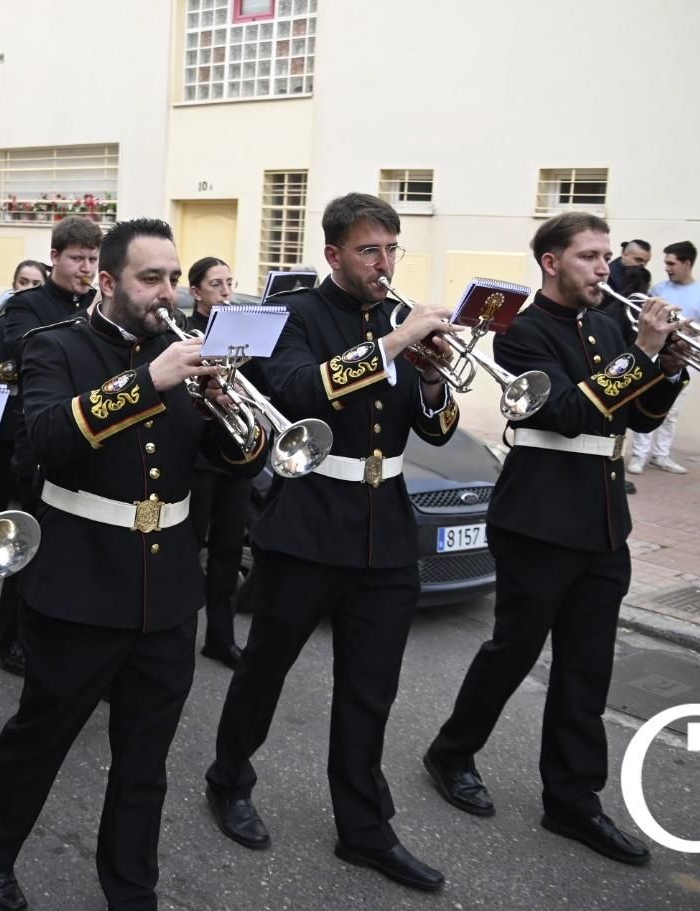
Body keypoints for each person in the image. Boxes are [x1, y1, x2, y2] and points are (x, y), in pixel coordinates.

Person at [0, 219, 268, 911]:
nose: (168, 293)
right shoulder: (56, 347)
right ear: (107, 281)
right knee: (42, 736)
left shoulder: (188, 351)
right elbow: (40, 441)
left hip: (166, 591)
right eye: (150, 278)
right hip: (80, 581)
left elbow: (234, 460)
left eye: (172, 276)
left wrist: (229, 412)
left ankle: (132, 888)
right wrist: (147, 382)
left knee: (145, 757)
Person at [204, 192, 459, 893]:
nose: (383, 263)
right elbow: (297, 390)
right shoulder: (297, 318)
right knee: (266, 670)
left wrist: (432, 379)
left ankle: (365, 829)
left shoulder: (399, 324)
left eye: (391, 249)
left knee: (369, 691)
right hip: (310, 523)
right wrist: (397, 345)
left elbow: (433, 429)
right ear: (335, 254)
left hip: (387, 531)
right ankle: (229, 778)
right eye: (369, 250)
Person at [424, 211, 687, 869]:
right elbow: (567, 414)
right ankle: (451, 752)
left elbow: (638, 412)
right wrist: (644, 355)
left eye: (606, 256)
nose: (606, 268)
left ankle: (572, 799)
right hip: (539, 520)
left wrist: (670, 368)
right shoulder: (521, 335)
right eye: (590, 256)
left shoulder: (609, 325)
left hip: (603, 521)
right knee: (513, 651)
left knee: (586, 666)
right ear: (551, 262)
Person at [0, 219, 100, 676]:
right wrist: (91, 322)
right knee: (32, 549)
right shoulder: (28, 304)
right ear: (55, 258)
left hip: (93, 436)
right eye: (76, 259)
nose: (85, 269)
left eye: (91, 259)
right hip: (39, 438)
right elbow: (22, 348)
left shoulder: (100, 303)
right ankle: (8, 636)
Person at [184, 256, 248, 670]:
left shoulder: (242, 331)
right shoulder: (185, 334)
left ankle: (220, 638)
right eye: (216, 284)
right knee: (189, 549)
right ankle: (178, 633)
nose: (226, 291)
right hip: (197, 459)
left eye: (229, 282)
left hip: (236, 454)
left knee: (228, 549)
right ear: (196, 292)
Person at [627, 240, 700, 476]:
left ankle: (661, 455)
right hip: (657, 352)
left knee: (672, 410)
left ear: (687, 263)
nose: (667, 267)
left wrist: (681, 326)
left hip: (687, 354)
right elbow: (645, 318)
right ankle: (639, 455)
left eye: (671, 263)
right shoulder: (659, 289)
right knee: (645, 402)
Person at [0, 260, 49, 324]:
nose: (29, 288)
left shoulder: (53, 322)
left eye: (36, 284)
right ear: (14, 285)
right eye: (23, 283)